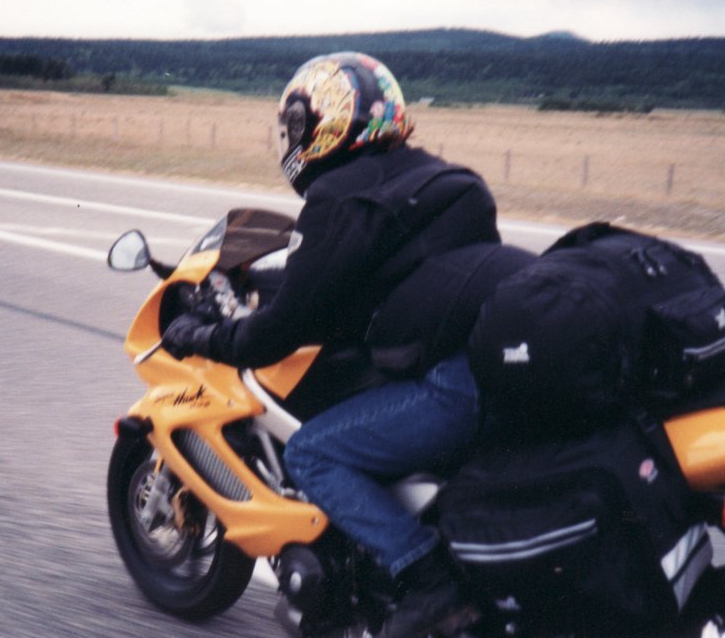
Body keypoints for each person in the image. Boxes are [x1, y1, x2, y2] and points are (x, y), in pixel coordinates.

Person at [161, 52, 534, 637]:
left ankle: (425, 576)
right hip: (508, 362)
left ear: (329, 125)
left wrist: (203, 334)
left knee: (313, 453)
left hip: (455, 382)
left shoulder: (337, 198)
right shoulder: (450, 183)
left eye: (298, 126)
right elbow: (377, 276)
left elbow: (277, 336)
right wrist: (263, 281)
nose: (293, 138)